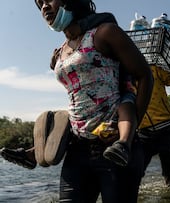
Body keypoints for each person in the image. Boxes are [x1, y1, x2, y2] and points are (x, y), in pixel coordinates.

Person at [16, 1, 152, 202]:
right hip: (77, 150)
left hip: (114, 150)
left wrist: (129, 132)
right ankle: (34, 152)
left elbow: (145, 76)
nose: (44, 6)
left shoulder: (105, 33)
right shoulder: (61, 50)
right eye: (40, 2)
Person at [136, 30, 170, 187]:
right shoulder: (123, 74)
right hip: (142, 133)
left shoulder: (153, 69)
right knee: (135, 175)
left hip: (166, 129)